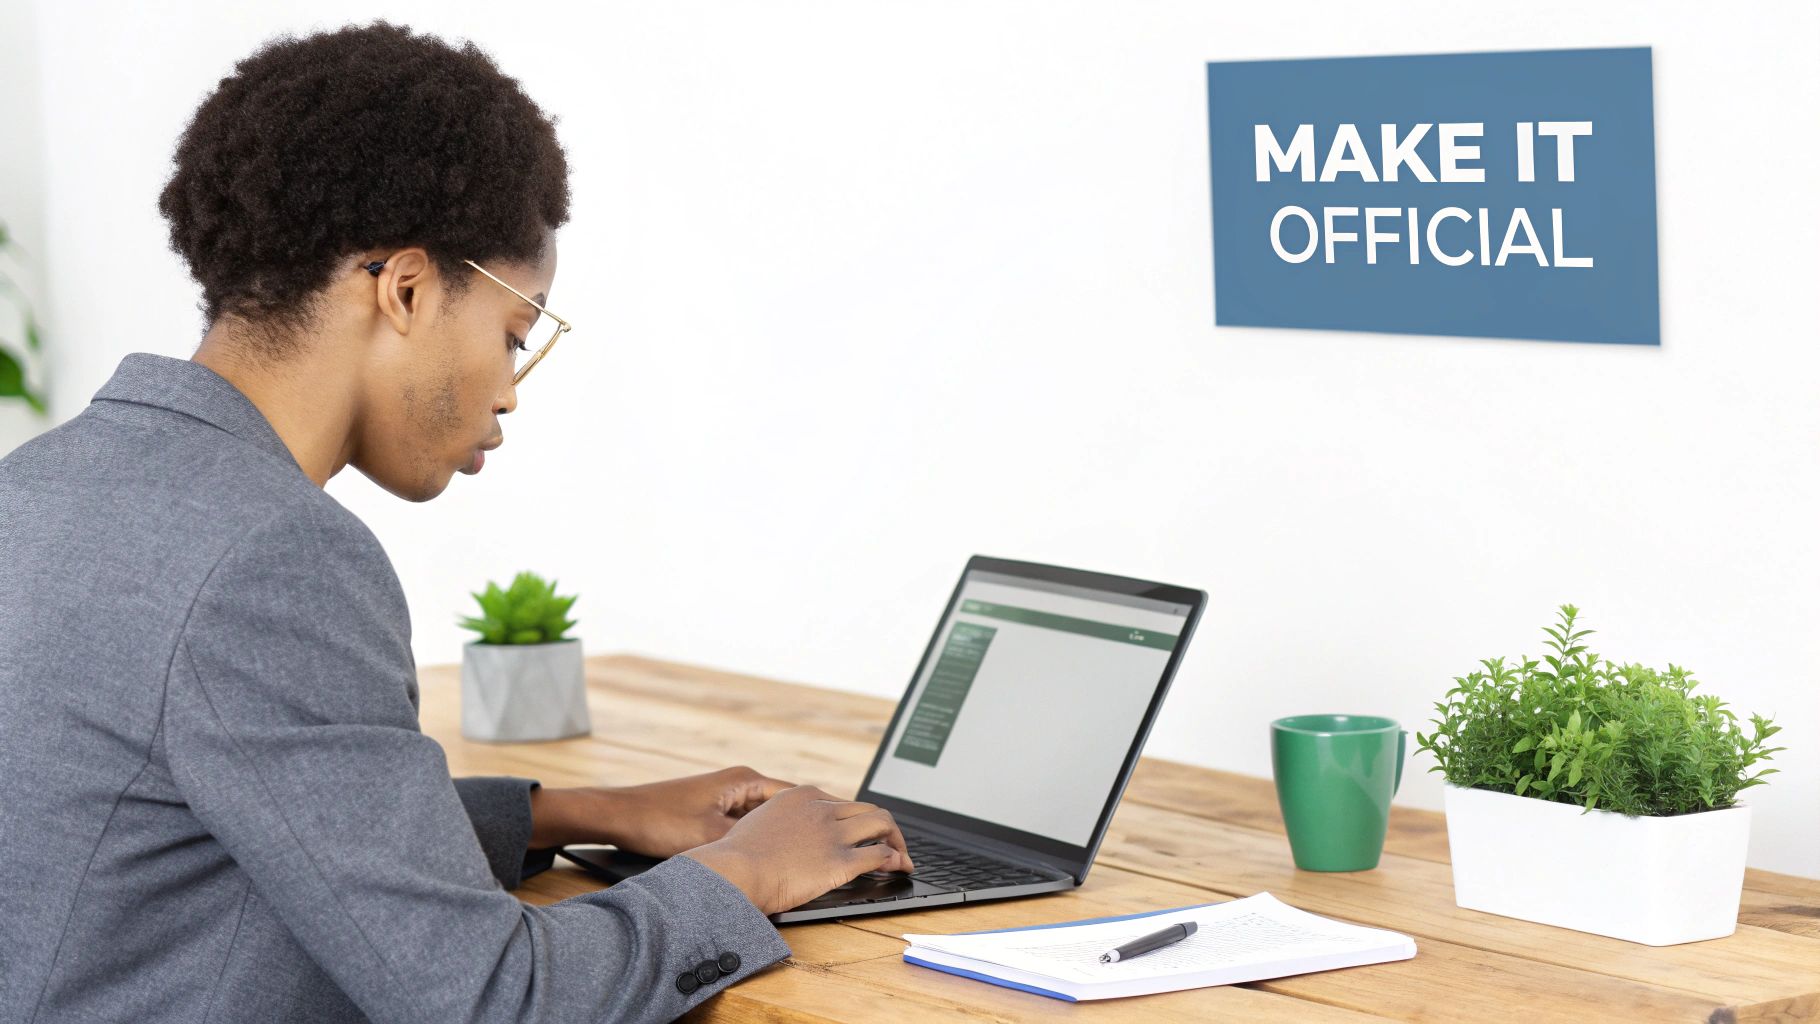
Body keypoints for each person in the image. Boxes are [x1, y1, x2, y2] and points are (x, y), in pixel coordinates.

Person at [0, 21, 912, 1024]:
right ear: (405, 287)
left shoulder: (42, 486)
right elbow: (489, 998)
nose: (511, 392)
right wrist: (746, 872)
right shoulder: (273, 554)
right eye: (513, 335)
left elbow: (215, 821)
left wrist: (572, 814)